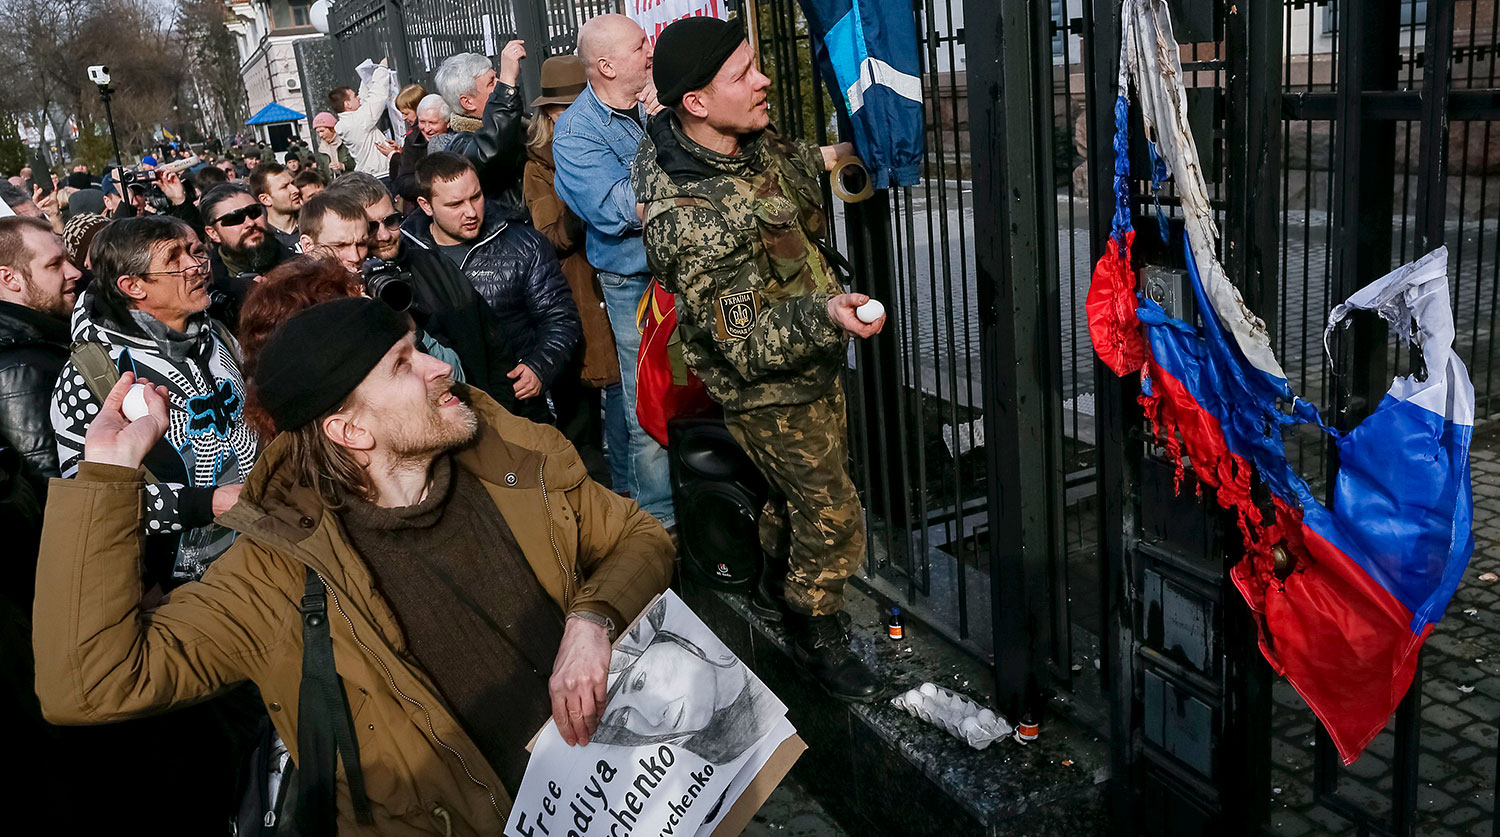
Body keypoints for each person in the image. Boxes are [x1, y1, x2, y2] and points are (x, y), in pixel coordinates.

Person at [33, 296, 675, 832]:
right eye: (403, 364)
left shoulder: (509, 457)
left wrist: (593, 619)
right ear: (350, 431)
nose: (438, 369)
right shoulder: (274, 578)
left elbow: (640, 538)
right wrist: (107, 479)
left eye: (417, 346)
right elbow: (89, 684)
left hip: (622, 797)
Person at [635, 17, 883, 701]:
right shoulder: (689, 213)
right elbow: (740, 339)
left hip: (813, 368)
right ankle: (814, 625)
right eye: (743, 74)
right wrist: (827, 314)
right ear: (696, 103)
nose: (764, 79)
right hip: (771, 391)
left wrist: (843, 151)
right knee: (833, 511)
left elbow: (793, 165)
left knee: (795, 496)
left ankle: (776, 582)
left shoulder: (744, 144)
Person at [50, 214, 260, 585]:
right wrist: (204, 504)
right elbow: (91, 501)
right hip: (180, 591)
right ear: (133, 286)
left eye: (196, 251)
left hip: (267, 551)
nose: (195, 266)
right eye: (174, 260)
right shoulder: (92, 374)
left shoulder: (218, 335)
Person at [553, 13, 674, 526]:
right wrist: (675, 148)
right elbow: (618, 209)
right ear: (605, 65)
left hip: (695, 268)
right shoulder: (576, 133)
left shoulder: (666, 101)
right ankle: (659, 525)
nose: (652, 49)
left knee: (711, 384)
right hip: (635, 284)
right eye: (640, 44)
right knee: (647, 403)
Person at [328, 171, 550, 422]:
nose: (384, 235)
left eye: (391, 220)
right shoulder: (339, 299)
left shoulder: (433, 264)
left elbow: (493, 343)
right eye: (370, 227)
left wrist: (496, 415)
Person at [409, 152, 581, 418]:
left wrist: (539, 366)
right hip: (442, 408)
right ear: (426, 205)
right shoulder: (408, 255)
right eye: (455, 204)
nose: (470, 212)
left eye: (476, 197)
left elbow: (560, 318)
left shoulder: (525, 245)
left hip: (516, 405)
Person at [525, 54, 622, 488]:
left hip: (619, 287)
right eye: (562, 107)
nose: (573, 114)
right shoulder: (538, 165)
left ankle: (630, 502)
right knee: (580, 417)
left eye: (580, 101)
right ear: (548, 113)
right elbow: (549, 235)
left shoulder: (614, 136)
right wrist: (588, 200)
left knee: (628, 412)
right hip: (575, 293)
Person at [593, 598, 776, 765]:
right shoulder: (716, 755)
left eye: (639, 683)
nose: (654, 719)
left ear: (663, 640)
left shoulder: (763, 707)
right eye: (622, 719)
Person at [0, 217, 79, 500]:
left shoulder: (45, 336)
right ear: (10, 278)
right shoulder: (19, 367)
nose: (74, 271)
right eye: (54, 264)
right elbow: (53, 488)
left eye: (68, 260)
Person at [432, 44, 529, 218]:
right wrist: (507, 83)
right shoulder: (459, 147)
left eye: (497, 77)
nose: (499, 85)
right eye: (492, 83)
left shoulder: (514, 120)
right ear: (468, 102)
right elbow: (492, 147)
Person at [201, 183, 294, 329]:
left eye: (254, 212)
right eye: (234, 219)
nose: (250, 223)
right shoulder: (207, 290)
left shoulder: (300, 267)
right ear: (213, 233)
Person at [330, 61, 401, 181]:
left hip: (373, 175)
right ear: (347, 104)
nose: (358, 97)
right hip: (381, 176)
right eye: (354, 96)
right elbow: (376, 97)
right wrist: (382, 69)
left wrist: (367, 75)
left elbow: (363, 97)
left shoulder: (349, 120)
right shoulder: (357, 121)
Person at [297, 190, 375, 274]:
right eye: (340, 246)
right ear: (308, 245)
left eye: (361, 244)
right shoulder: (289, 286)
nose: (355, 258)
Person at [250, 161, 304, 249]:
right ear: (265, 199)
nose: (295, 190)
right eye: (284, 187)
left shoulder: (314, 222)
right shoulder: (262, 241)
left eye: (292, 183)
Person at [313, 111, 356, 180]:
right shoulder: (321, 150)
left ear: (332, 129)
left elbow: (358, 162)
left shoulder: (347, 142)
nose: (320, 135)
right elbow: (321, 173)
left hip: (352, 182)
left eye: (322, 131)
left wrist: (343, 166)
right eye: (318, 132)